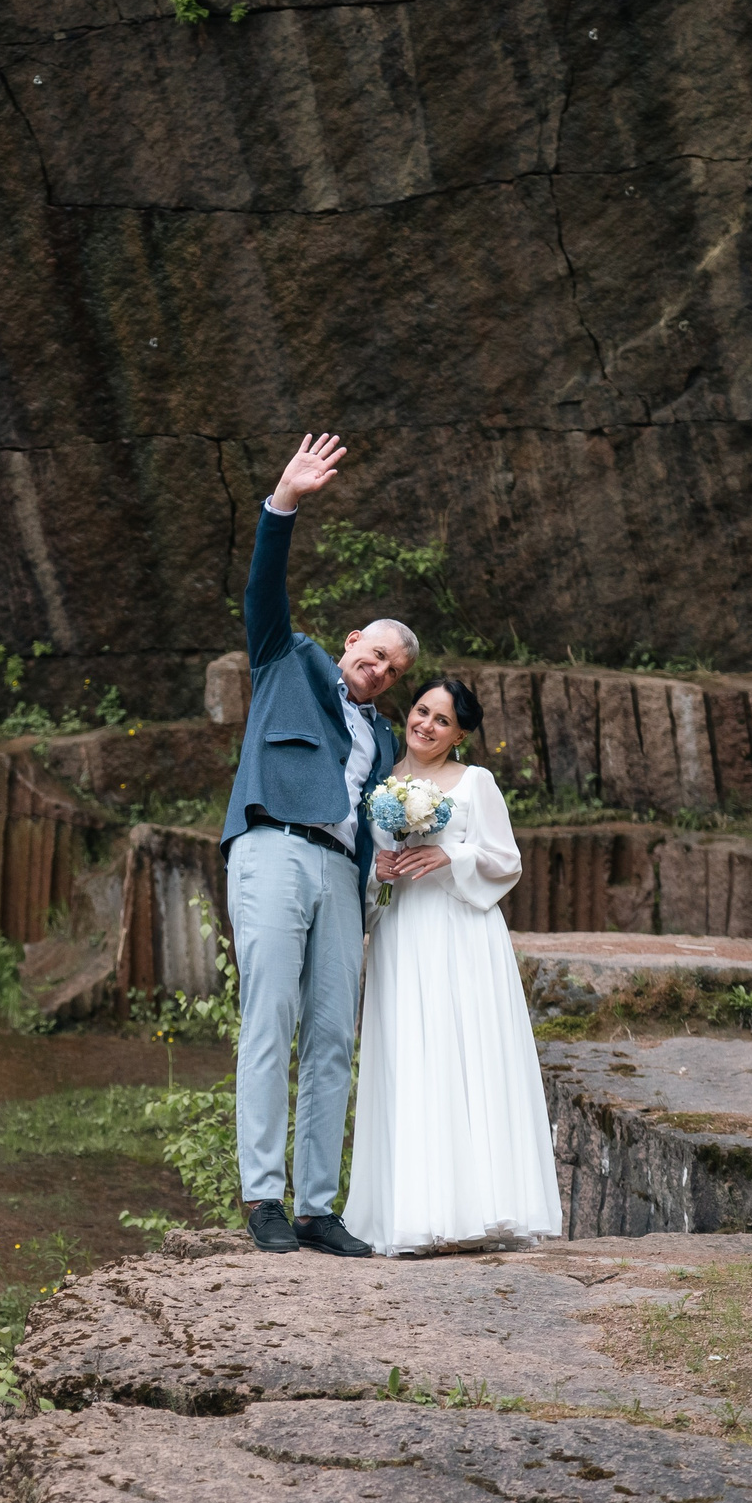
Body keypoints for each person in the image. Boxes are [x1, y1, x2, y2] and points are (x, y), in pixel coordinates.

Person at [217, 434, 416, 1255]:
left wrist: (390, 864)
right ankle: (263, 1193)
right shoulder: (287, 659)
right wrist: (285, 501)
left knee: (334, 1035)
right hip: (273, 847)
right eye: (374, 653)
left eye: (393, 669)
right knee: (270, 1015)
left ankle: (316, 1205)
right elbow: (263, 588)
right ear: (351, 640)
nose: (379, 669)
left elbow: (384, 818)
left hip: (341, 875)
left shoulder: (385, 738)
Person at [341, 677, 563, 1256]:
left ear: (460, 734)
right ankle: (415, 1215)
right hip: (402, 932)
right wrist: (377, 873)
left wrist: (449, 855)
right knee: (410, 1057)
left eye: (443, 720)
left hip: (463, 932)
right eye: (422, 711)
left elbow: (505, 861)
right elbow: (366, 863)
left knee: (469, 1055)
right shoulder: (379, 784)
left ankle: (482, 1210)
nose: (427, 725)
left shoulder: (475, 783)